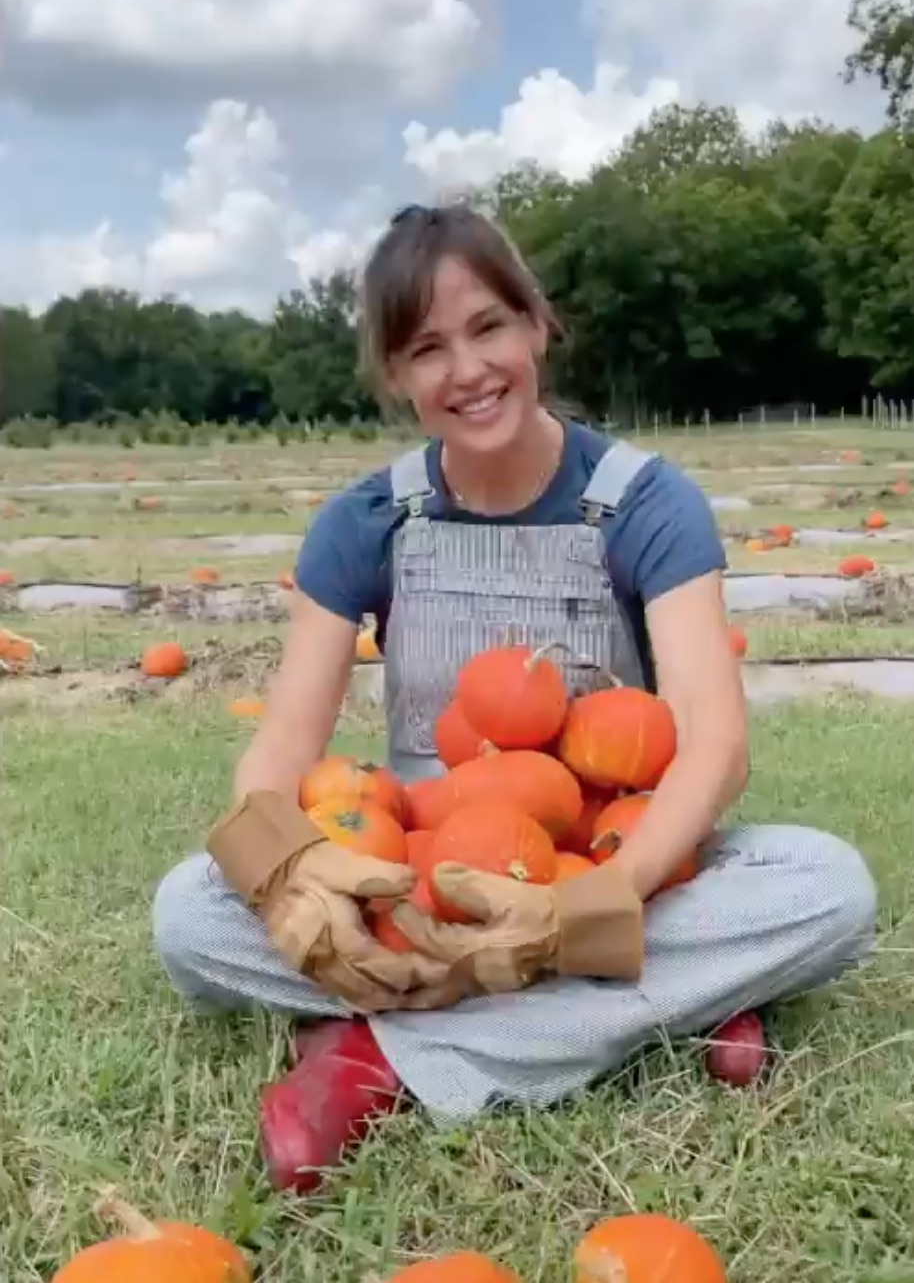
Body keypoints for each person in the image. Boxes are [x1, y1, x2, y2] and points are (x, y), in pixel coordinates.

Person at [153, 203, 878, 1194]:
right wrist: (287, 880)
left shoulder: (645, 502)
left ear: (536, 323)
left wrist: (592, 903)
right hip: (412, 877)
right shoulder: (366, 519)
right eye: (426, 347)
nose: (467, 368)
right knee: (187, 911)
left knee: (826, 886)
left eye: (488, 325)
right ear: (397, 378)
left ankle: (375, 1055)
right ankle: (665, 998)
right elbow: (278, 751)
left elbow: (715, 748)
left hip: (604, 870)